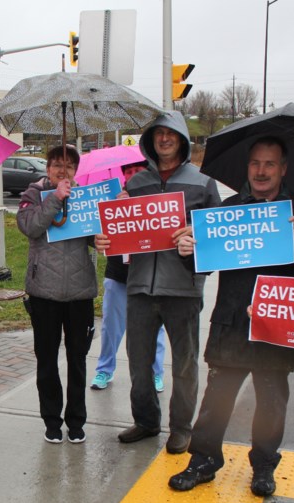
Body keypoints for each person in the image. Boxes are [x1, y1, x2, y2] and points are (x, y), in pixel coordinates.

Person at [168, 136, 294, 496]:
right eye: (255, 163)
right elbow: (201, 262)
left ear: (284, 169)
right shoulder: (230, 210)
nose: (261, 171)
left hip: (276, 324)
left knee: (271, 400)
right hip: (232, 321)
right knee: (216, 397)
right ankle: (203, 460)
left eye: (270, 164)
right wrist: (186, 249)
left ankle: (264, 465)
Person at [95, 111, 221, 454]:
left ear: (182, 138)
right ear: (150, 141)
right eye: (158, 134)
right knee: (138, 361)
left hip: (182, 288)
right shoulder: (135, 184)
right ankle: (147, 422)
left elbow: (217, 243)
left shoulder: (203, 183)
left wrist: (196, 237)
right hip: (139, 287)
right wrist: (104, 235)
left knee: (184, 364)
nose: (164, 139)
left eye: (171, 133)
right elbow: (119, 233)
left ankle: (181, 427)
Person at [17, 145, 97, 444]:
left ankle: (76, 421)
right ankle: (52, 420)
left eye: (69, 166)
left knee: (78, 360)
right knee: (47, 361)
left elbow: (93, 236)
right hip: (44, 293)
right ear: (47, 168)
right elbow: (31, 227)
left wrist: (105, 231)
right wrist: (55, 198)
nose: (63, 170)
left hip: (79, 293)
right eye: (56, 164)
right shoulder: (32, 196)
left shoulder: (86, 196)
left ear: (77, 170)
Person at [91, 160, 167, 394]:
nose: (133, 175)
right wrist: (115, 210)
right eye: (129, 172)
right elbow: (98, 234)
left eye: (138, 170)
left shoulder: (157, 200)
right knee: (111, 328)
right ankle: (104, 369)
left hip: (149, 276)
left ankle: (156, 372)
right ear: (124, 176)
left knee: (155, 328)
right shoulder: (112, 201)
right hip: (118, 275)